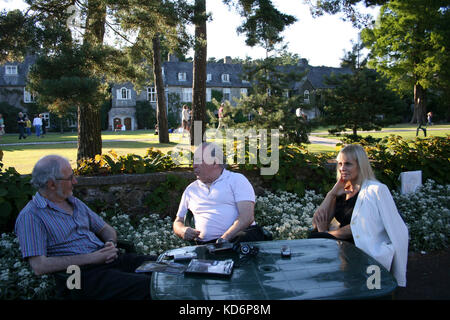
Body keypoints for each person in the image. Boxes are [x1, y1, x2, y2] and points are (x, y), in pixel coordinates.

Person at [15, 155, 157, 299]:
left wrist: (110, 244)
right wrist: (92, 258)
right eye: (70, 178)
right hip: (80, 275)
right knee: (153, 286)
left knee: (167, 266)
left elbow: (106, 229)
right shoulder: (31, 216)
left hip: (111, 261)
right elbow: (39, 266)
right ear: (52, 184)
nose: (75, 181)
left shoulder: (74, 202)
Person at [310, 144, 408, 287]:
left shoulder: (375, 191)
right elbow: (316, 221)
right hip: (341, 240)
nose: (342, 168)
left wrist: (325, 232)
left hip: (359, 243)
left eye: (348, 164)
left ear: (360, 165)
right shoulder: (343, 190)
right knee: (313, 235)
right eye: (340, 164)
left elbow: (357, 227)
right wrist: (331, 194)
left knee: (316, 237)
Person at [173, 142, 266, 245]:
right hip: (206, 247)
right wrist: (182, 230)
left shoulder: (236, 180)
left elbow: (247, 217)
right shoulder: (191, 189)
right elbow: (178, 221)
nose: (194, 165)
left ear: (215, 162)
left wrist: (224, 239)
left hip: (237, 241)